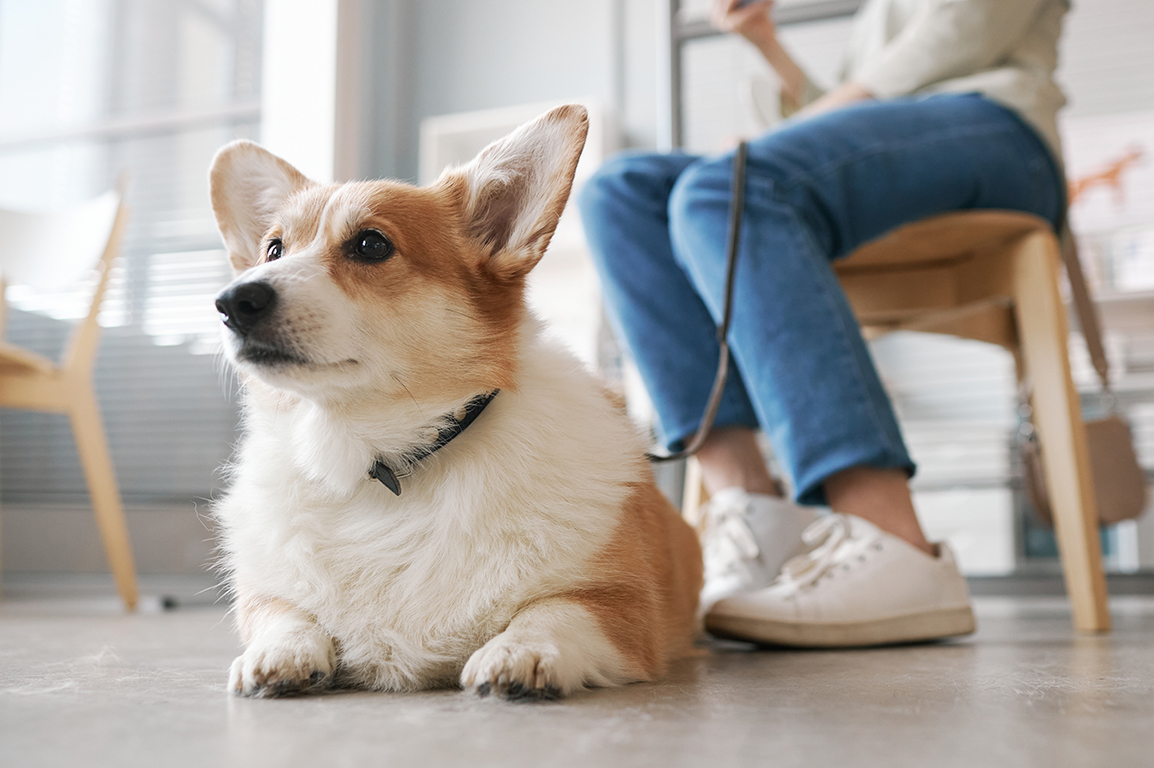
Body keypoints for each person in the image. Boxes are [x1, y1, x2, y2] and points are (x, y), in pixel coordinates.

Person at [577, 0, 1068, 646]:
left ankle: (891, 535)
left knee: (725, 190)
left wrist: (790, 128)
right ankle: (752, 514)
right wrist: (766, 43)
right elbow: (852, 103)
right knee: (621, 192)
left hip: (999, 131)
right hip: (902, 135)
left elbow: (950, 42)